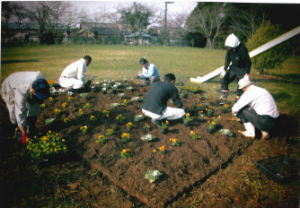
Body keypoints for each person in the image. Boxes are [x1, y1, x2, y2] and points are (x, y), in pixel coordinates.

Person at [1, 71, 51, 144]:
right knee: (13, 110)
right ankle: (19, 132)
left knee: (35, 106)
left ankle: (31, 129)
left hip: (27, 85)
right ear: (32, 90)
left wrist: (38, 97)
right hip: (10, 86)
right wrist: (24, 134)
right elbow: (20, 112)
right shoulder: (21, 91)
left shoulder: (42, 81)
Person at [220, 33, 252, 101]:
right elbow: (227, 59)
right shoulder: (229, 48)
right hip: (233, 68)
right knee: (224, 79)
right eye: (229, 46)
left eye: (230, 47)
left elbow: (248, 62)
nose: (229, 48)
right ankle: (224, 95)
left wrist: (247, 74)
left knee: (241, 85)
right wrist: (224, 70)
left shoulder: (242, 49)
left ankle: (238, 100)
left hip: (242, 69)